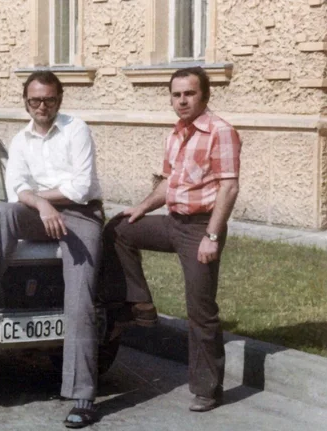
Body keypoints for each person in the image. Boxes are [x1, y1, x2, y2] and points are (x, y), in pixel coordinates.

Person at [0, 70, 105, 428]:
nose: (42, 107)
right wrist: (41, 206)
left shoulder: (77, 130)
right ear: (25, 102)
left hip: (81, 217)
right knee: (5, 212)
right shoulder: (21, 139)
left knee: (80, 301)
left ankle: (83, 396)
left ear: (60, 100)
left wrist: (39, 199)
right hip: (41, 213)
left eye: (50, 100)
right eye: (35, 100)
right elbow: (16, 191)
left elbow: (80, 187)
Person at [101, 66, 241, 412]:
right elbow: (168, 183)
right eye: (177, 94)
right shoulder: (176, 134)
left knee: (201, 309)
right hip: (172, 222)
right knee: (118, 229)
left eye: (189, 93)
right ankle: (141, 304)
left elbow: (229, 186)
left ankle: (207, 388)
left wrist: (212, 235)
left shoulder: (220, 131)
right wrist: (141, 208)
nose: (182, 100)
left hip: (200, 228)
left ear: (204, 95)